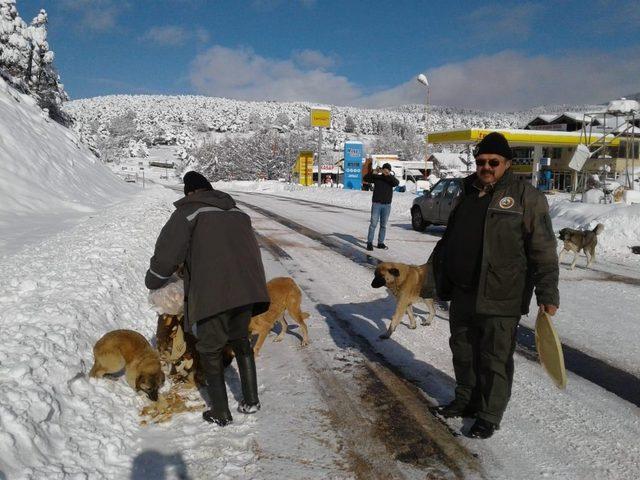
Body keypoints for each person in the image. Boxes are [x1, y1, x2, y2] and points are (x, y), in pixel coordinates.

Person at [422, 132, 559, 439]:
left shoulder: (527, 197)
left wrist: (547, 293)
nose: (486, 166)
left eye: (493, 162)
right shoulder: (467, 192)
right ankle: (466, 399)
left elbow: (544, 250)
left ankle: (488, 413)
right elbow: (450, 240)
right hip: (462, 291)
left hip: (502, 294)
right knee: (463, 350)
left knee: (494, 358)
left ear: (506, 163)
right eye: (481, 161)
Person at [145, 171, 270, 427]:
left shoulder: (188, 213)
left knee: (209, 349)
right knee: (240, 340)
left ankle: (221, 413)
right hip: (248, 288)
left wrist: (154, 280)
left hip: (216, 291)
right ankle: (251, 400)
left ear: (190, 193)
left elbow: (167, 255)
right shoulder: (238, 213)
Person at [363, 162, 399, 251]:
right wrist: (373, 171)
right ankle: (369, 243)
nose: (386, 171)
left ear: (390, 171)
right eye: (384, 169)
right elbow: (366, 178)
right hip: (376, 204)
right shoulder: (377, 178)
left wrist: (388, 175)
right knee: (373, 224)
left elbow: (396, 183)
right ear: (382, 170)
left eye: (388, 170)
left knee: (383, 225)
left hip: (387, 205)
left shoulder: (391, 179)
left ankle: (380, 243)